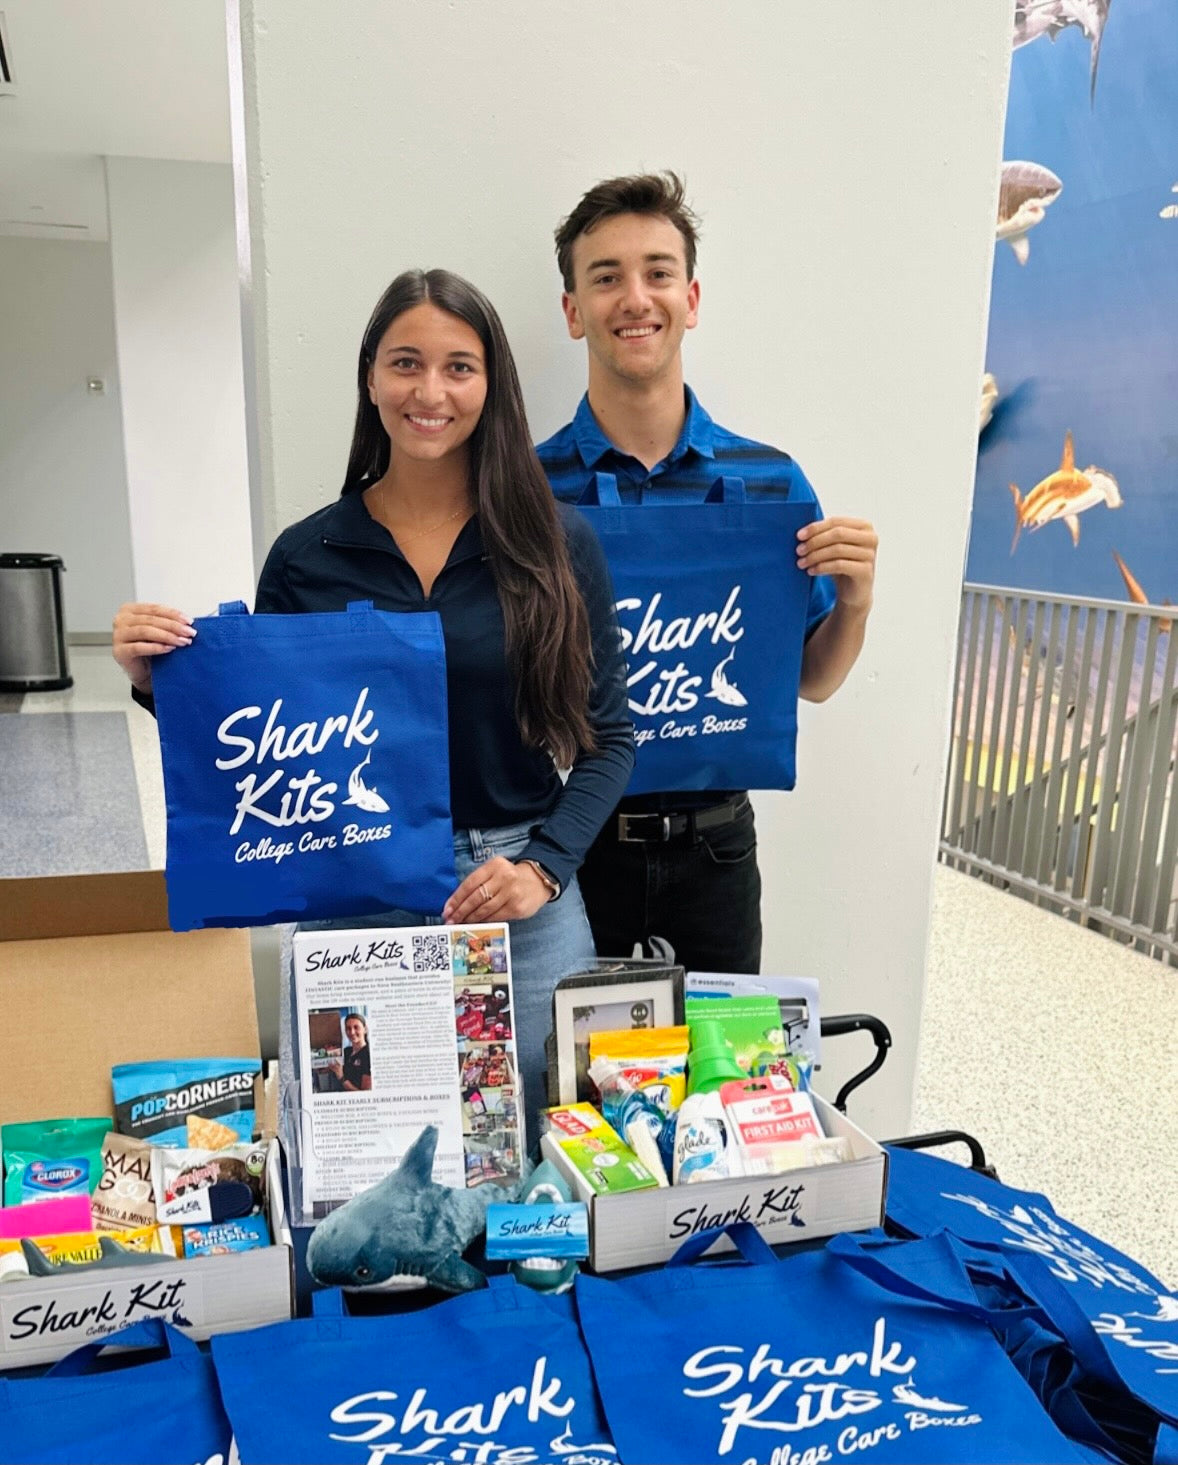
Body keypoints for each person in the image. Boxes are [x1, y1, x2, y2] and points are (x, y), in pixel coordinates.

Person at [112, 268, 635, 1144]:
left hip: (514, 894)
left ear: (491, 384)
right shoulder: (307, 554)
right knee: (362, 1156)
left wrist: (542, 869)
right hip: (351, 890)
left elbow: (611, 736)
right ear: (370, 377)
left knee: (551, 1152)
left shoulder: (555, 542)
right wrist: (149, 679)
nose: (430, 392)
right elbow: (266, 744)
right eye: (405, 363)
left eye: (458, 367)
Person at [536, 172, 878, 975]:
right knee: (574, 1090)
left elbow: (812, 681)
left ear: (690, 298)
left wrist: (856, 601)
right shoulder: (526, 491)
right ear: (572, 310)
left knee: (729, 1088)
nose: (635, 297)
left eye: (657, 272)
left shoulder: (771, 483)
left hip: (719, 850)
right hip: (571, 842)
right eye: (606, 276)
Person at [331, 1012, 372, 1092]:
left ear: (365, 1029)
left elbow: (364, 1094)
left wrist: (342, 1078)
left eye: (356, 1027)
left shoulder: (368, 1055)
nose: (352, 1032)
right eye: (348, 1028)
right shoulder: (346, 1051)